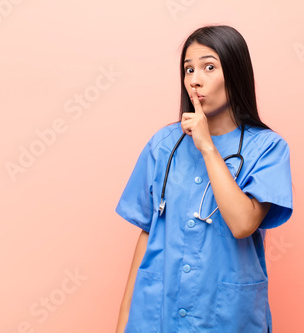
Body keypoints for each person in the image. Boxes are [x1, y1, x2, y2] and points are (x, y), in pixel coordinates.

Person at [115, 24, 293, 333]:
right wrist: (122, 324)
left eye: (209, 67)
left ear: (235, 74)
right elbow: (147, 232)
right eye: (188, 70)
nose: (195, 80)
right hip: (157, 316)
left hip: (225, 317)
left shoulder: (268, 148)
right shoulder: (164, 145)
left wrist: (207, 147)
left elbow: (242, 224)